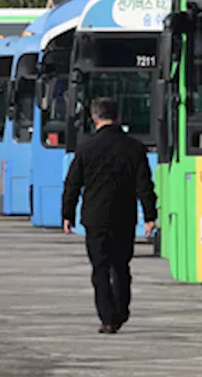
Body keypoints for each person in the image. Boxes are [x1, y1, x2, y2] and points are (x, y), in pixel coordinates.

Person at [62, 97, 158, 334]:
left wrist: (67, 215)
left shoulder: (85, 148)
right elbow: (144, 185)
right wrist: (149, 215)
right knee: (122, 266)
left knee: (100, 269)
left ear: (94, 119)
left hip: (95, 219)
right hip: (124, 218)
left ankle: (107, 317)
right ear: (118, 118)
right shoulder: (134, 147)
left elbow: (72, 184)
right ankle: (122, 311)